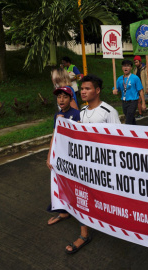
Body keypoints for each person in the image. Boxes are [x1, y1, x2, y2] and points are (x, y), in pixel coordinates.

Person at [65, 75, 120, 254]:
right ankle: (84, 234)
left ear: (97, 91)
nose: (83, 91)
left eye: (87, 89)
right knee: (82, 196)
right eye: (82, 89)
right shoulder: (81, 111)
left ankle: (114, 225)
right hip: (84, 165)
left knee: (105, 198)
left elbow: (118, 139)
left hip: (103, 166)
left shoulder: (108, 111)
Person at [45, 86, 81, 225]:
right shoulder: (57, 115)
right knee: (60, 182)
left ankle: (78, 210)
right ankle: (63, 211)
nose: (61, 99)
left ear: (71, 99)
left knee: (75, 183)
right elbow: (54, 136)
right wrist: (49, 156)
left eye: (65, 97)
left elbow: (79, 136)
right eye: (59, 97)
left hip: (73, 156)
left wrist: (65, 123)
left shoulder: (77, 114)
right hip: (60, 155)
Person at [113, 60, 144, 125]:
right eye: (124, 66)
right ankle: (135, 130)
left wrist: (143, 103)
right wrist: (115, 90)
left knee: (128, 120)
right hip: (124, 102)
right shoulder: (120, 79)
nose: (126, 68)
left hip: (133, 101)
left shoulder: (135, 78)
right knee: (130, 118)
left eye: (128, 66)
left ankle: (126, 131)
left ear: (131, 68)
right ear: (122, 68)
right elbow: (116, 88)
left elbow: (140, 90)